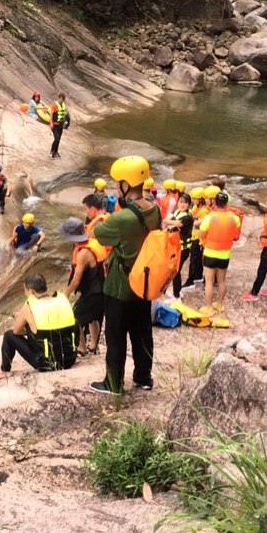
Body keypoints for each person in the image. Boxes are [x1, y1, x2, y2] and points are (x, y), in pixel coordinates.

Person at [90, 155, 162, 395]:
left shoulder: (121, 219)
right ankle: (144, 376)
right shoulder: (154, 209)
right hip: (144, 282)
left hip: (120, 287)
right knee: (142, 333)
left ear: (125, 185)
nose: (115, 186)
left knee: (116, 336)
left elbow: (98, 232)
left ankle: (113, 383)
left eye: (118, 182)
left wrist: (110, 215)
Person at [0, 273, 78, 375]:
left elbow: (16, 331)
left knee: (9, 335)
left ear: (31, 291)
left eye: (25, 290)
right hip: (69, 360)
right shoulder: (62, 300)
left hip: (45, 363)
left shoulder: (29, 307)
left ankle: (5, 370)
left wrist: (31, 330)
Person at [61, 216, 107, 357]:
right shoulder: (94, 243)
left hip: (94, 293)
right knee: (93, 318)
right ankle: (94, 345)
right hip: (102, 290)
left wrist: (65, 293)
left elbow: (76, 280)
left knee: (76, 318)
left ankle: (82, 348)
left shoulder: (83, 254)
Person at [197, 190, 242, 312]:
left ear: (215, 203)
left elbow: (200, 235)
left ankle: (209, 307)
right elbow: (236, 234)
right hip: (225, 254)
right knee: (222, 281)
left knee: (209, 282)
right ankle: (220, 304)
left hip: (210, 253)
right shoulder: (235, 218)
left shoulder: (209, 218)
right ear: (226, 203)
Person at [167, 191, 197, 299]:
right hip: (176, 247)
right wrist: (173, 223)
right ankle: (176, 292)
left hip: (183, 249)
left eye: (185, 203)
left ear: (189, 204)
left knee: (176, 271)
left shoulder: (188, 217)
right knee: (174, 270)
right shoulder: (177, 212)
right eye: (180, 202)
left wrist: (171, 224)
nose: (182, 204)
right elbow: (165, 221)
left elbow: (171, 225)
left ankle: (176, 296)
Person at [46, 92, 70, 159]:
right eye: (61, 99)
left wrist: (65, 123)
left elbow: (63, 115)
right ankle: (51, 152)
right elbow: (51, 114)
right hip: (55, 125)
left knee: (58, 139)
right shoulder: (55, 105)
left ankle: (55, 152)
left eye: (63, 100)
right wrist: (51, 123)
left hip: (60, 124)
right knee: (56, 138)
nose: (62, 101)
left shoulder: (63, 105)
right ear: (59, 98)